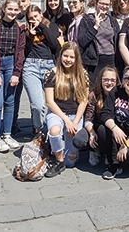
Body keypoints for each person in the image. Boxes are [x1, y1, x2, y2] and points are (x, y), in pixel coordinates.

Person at [0, 0, 26, 153]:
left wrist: (17, 72)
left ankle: (7, 134)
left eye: (16, 10)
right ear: (4, 9)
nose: (13, 12)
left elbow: (21, 51)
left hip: (11, 65)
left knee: (10, 101)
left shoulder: (20, 28)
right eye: (10, 9)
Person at [43, 42, 90, 177]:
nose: (68, 60)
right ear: (60, 55)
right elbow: (49, 102)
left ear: (76, 59)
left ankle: (62, 154)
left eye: (71, 57)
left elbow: (84, 100)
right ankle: (59, 160)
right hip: (57, 113)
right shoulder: (52, 73)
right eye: (65, 56)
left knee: (72, 162)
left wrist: (74, 122)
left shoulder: (83, 74)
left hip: (75, 114)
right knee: (55, 131)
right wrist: (66, 121)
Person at [22, 4, 61, 137]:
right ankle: (38, 130)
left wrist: (42, 26)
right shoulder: (27, 30)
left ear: (41, 14)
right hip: (31, 66)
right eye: (31, 18)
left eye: (36, 16)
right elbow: (25, 51)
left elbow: (55, 45)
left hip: (49, 65)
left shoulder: (51, 26)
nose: (34, 20)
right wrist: (30, 37)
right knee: (37, 104)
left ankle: (54, 128)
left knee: (54, 101)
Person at [72, 65, 119, 167]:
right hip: (95, 126)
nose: (109, 83)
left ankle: (107, 153)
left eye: (112, 80)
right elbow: (88, 118)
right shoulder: (94, 94)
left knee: (104, 130)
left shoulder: (120, 95)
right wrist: (92, 133)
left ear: (117, 81)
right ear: (100, 80)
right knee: (79, 140)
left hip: (112, 129)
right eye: (106, 80)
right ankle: (94, 150)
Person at [78, 0, 120, 87]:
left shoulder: (112, 21)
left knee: (109, 90)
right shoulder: (87, 20)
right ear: (96, 3)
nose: (104, 6)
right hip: (94, 62)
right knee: (93, 91)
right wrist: (96, 26)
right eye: (101, 3)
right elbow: (82, 41)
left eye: (107, 4)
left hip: (110, 60)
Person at [11, 0, 33, 137]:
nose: (22, 5)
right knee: (14, 95)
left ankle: (36, 125)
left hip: (32, 60)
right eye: (19, 2)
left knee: (35, 97)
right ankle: (12, 123)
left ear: (30, 0)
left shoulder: (36, 16)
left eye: (24, 1)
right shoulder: (15, 19)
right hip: (17, 61)